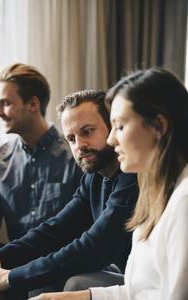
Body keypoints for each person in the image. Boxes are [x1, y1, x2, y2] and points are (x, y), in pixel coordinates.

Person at [29, 68, 188, 300]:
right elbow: (141, 291)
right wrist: (82, 296)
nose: (112, 140)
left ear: (159, 127)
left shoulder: (184, 202)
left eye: (120, 126)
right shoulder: (157, 193)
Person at [0, 89, 138, 299]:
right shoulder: (93, 177)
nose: (79, 146)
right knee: (39, 279)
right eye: (71, 138)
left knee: (74, 282)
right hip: (120, 273)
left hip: (141, 283)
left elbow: (95, 247)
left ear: (113, 127)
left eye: (87, 131)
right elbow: (54, 230)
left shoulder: (133, 175)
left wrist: (9, 278)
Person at [0, 63, 83, 252]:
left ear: (32, 104)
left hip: (65, 267)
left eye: (6, 103)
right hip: (15, 265)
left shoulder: (76, 155)